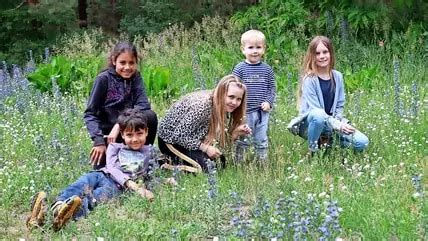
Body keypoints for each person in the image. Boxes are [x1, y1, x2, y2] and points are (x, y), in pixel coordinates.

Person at [26, 109, 163, 231]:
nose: (135, 139)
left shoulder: (150, 151)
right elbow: (112, 168)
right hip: (102, 174)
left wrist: (163, 181)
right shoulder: (115, 147)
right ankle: (56, 207)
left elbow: (153, 173)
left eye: (139, 134)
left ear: (146, 132)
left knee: (93, 199)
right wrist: (131, 183)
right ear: (122, 134)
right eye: (130, 135)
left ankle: (61, 216)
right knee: (79, 184)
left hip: (117, 187)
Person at [287, 36, 369, 155]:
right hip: (311, 124)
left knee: (363, 142)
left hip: (332, 124)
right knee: (319, 115)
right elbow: (315, 110)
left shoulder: (338, 76)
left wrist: (339, 122)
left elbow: (340, 104)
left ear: (330, 53)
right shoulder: (309, 79)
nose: (322, 56)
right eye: (317, 53)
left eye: (325, 52)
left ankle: (327, 144)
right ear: (312, 56)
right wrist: (337, 125)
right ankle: (313, 150)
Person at [84, 41, 158, 168]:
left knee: (150, 116)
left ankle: (144, 157)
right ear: (114, 61)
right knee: (104, 171)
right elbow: (90, 113)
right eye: (122, 63)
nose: (127, 67)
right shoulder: (103, 79)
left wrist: (119, 124)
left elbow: (143, 105)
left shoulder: (136, 77)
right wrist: (98, 141)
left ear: (136, 63)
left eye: (131, 63)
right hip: (109, 136)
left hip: (129, 130)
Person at [157, 74, 252, 171]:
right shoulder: (203, 106)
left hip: (193, 139)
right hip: (170, 141)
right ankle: (166, 163)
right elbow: (179, 136)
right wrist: (205, 148)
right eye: (231, 97)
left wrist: (235, 133)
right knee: (208, 168)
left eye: (238, 99)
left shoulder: (224, 107)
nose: (234, 102)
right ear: (221, 93)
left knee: (221, 162)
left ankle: (175, 160)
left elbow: (220, 144)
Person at [232, 29, 276, 162]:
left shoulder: (267, 69)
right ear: (243, 49)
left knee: (261, 138)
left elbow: (272, 88)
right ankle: (238, 162)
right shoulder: (240, 68)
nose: (255, 51)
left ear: (264, 49)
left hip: (262, 112)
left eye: (258, 47)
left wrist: (269, 102)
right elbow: (233, 87)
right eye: (250, 47)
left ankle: (262, 162)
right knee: (243, 137)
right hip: (245, 112)